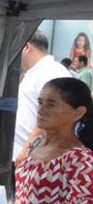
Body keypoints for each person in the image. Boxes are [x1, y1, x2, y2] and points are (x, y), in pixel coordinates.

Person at [14, 30, 71, 162]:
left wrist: (26, 150)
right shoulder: (34, 72)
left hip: (32, 156)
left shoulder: (51, 72)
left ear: (27, 47)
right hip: (24, 153)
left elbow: (52, 117)